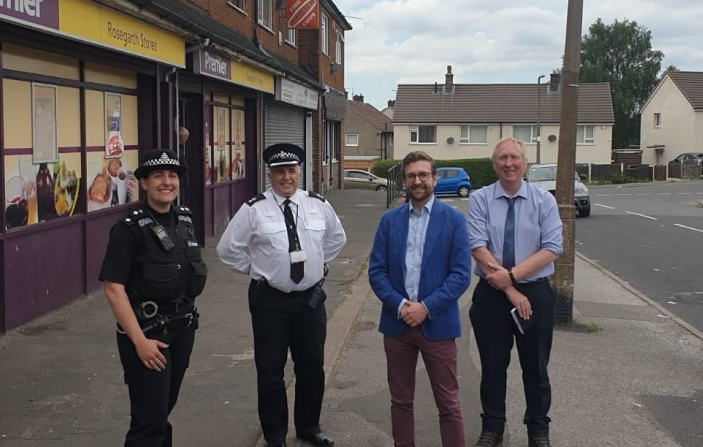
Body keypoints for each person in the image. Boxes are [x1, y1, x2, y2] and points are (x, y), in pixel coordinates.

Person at [216, 143, 346, 447]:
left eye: (291, 170)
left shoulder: (317, 204)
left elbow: (337, 238)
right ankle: (275, 436)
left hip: (310, 301)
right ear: (270, 175)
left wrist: (317, 265)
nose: (286, 177)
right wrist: (257, 269)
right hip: (270, 302)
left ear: (299, 172)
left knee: (311, 367)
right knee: (271, 370)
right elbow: (227, 249)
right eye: (279, 172)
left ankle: (309, 428)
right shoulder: (253, 209)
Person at [99, 149, 208, 447]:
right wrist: (140, 342)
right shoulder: (128, 229)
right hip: (148, 332)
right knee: (149, 421)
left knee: (162, 412)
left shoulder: (184, 220)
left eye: (172, 176)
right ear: (144, 183)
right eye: (158, 175)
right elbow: (113, 287)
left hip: (182, 328)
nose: (167, 182)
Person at [368, 151, 471, 447]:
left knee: (449, 404)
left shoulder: (453, 220)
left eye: (424, 175)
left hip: (438, 325)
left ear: (434, 179)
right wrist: (401, 306)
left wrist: (425, 308)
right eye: (412, 175)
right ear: (404, 181)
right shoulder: (389, 221)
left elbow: (461, 275)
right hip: (397, 325)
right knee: (400, 401)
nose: (418, 181)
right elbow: (377, 272)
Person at [467, 138, 563, 447]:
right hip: (491, 297)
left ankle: (538, 431)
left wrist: (511, 277)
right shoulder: (481, 199)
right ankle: (492, 428)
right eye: (503, 158)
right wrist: (509, 288)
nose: (509, 163)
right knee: (493, 368)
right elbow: (477, 245)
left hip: (535, 294)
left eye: (515, 157)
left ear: (525, 163)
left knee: (536, 368)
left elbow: (552, 247)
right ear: (494, 163)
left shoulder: (543, 200)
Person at [177, 127, 190, 207]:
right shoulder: (177, 149)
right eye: (186, 137)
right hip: (179, 181)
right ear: (181, 136)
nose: (187, 139)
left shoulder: (180, 149)